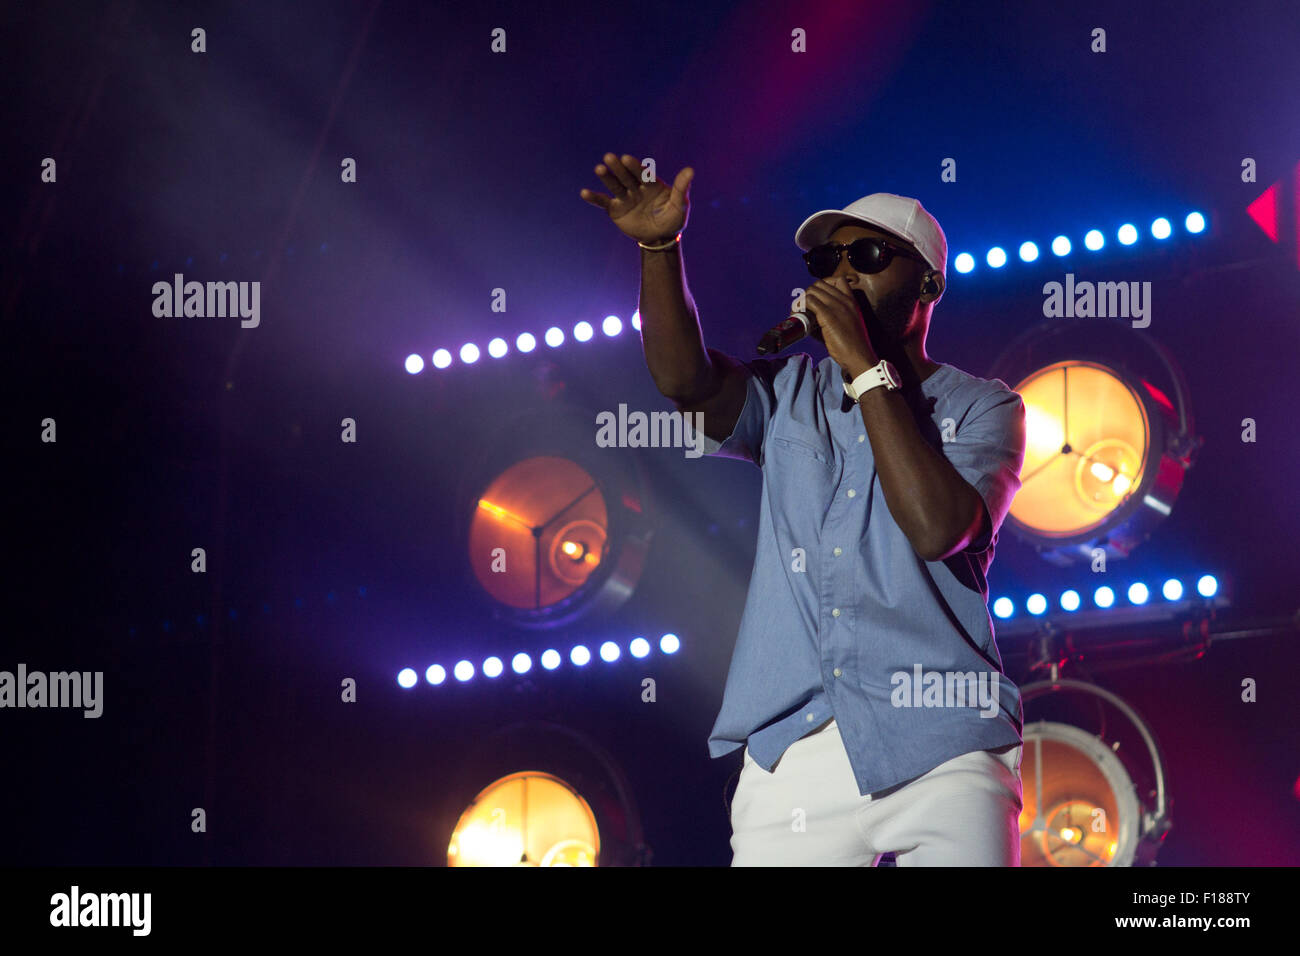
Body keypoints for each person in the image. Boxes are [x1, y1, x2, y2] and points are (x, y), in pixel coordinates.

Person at [581, 153, 1027, 866]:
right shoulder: (790, 393)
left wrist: (864, 368)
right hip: (793, 750)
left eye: (870, 255)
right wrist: (659, 248)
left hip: (941, 740)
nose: (843, 273)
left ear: (929, 283)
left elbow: (938, 529)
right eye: (828, 260)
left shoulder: (985, 407)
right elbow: (684, 380)